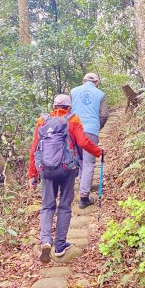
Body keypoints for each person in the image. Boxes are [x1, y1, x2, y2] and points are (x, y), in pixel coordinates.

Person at [29, 94, 102, 263]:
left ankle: (46, 240)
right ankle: (60, 246)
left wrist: (32, 175)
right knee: (64, 206)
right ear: (69, 107)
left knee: (47, 206)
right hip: (67, 169)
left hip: (46, 169)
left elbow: (34, 149)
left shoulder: (43, 121)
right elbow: (83, 143)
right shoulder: (73, 119)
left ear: (54, 106)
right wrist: (98, 152)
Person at [71, 72, 109, 208]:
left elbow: (69, 111)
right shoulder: (101, 94)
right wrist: (96, 126)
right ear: (96, 82)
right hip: (91, 130)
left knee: (80, 159)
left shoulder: (73, 91)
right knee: (88, 163)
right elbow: (104, 115)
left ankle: (82, 184)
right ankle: (84, 196)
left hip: (75, 130)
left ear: (83, 81)